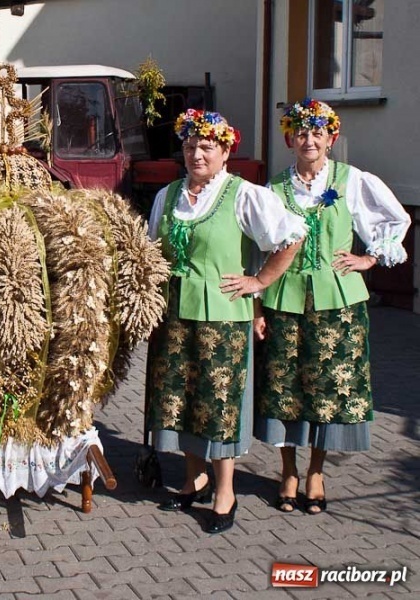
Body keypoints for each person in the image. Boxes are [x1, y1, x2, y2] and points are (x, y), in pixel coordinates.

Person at [146, 109, 306, 533]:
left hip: (222, 315)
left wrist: (260, 281)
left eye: (206, 147)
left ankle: (225, 491)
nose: (196, 154)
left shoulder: (244, 194)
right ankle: (193, 478)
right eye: (189, 146)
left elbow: (292, 236)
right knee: (179, 396)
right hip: (174, 312)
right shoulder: (168, 196)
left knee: (218, 402)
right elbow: (151, 252)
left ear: (225, 151)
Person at [254, 98, 411, 514]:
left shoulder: (352, 180)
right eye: (302, 132)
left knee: (328, 388)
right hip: (283, 300)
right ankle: (287, 470)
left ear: (331, 138)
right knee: (283, 388)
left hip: (337, 301)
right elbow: (259, 251)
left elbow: (394, 220)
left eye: (318, 132)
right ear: (290, 138)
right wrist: (256, 305)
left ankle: (317, 471)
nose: (310, 139)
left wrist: (369, 258)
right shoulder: (274, 188)